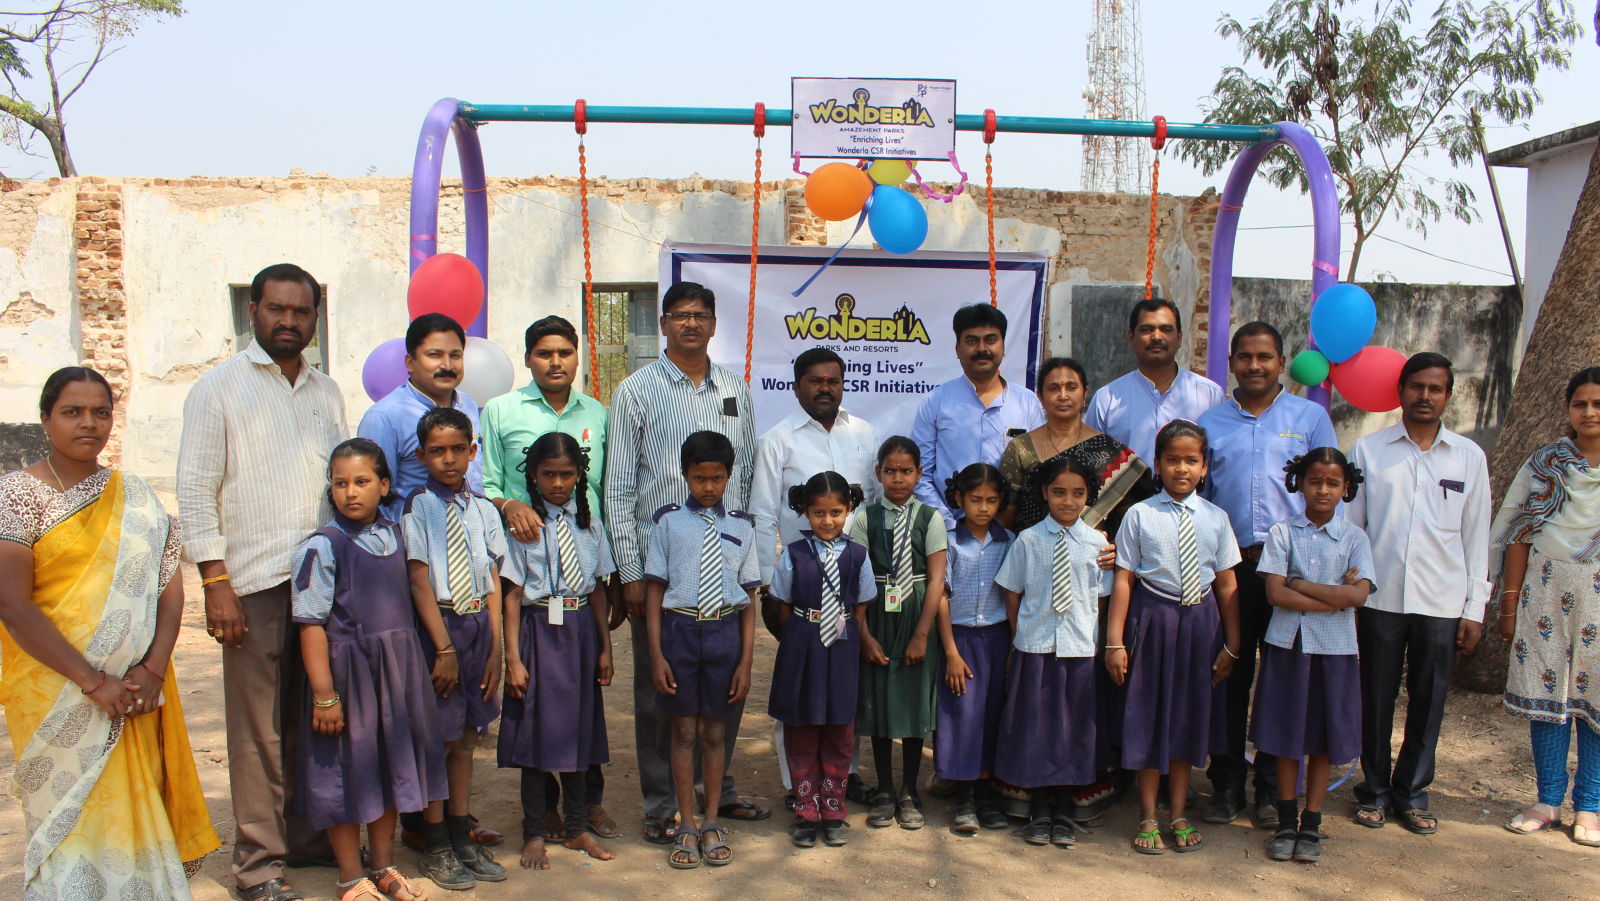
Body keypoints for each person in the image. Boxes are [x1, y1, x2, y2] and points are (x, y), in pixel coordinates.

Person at [0, 367, 220, 899]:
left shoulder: (137, 498)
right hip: (54, 688)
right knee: (68, 815)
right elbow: (11, 602)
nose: (89, 423)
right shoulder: (17, 496)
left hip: (134, 690)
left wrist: (151, 669)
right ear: (46, 419)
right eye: (72, 412)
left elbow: (170, 590)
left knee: (132, 802)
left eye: (101, 412)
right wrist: (94, 681)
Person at [178, 262, 346, 900]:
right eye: (277, 310)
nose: (289, 322)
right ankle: (258, 865)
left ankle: (306, 840)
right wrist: (215, 581)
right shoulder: (217, 390)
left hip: (322, 581)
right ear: (253, 312)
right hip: (252, 582)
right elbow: (196, 491)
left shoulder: (326, 391)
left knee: (313, 718)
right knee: (258, 731)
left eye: (301, 312)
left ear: (314, 318)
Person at [606, 282, 765, 842]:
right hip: (662, 572)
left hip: (723, 566)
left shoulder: (734, 389)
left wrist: (744, 551)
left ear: (715, 324)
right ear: (664, 324)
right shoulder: (637, 391)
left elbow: (743, 476)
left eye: (701, 316)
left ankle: (710, 797)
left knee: (722, 691)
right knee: (659, 694)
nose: (691, 324)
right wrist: (629, 571)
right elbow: (620, 486)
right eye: (680, 316)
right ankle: (661, 804)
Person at [291, 439, 446, 901]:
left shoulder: (398, 536)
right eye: (340, 483)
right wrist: (324, 694)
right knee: (344, 772)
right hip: (347, 677)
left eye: (362, 482)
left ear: (384, 485)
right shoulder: (322, 546)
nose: (350, 492)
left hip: (395, 675)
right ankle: (348, 874)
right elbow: (311, 625)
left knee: (387, 767)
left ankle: (383, 865)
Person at [480, 314, 616, 841]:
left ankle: (587, 810)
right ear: (529, 356)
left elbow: (608, 484)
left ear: (577, 354)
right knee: (536, 714)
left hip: (582, 593)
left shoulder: (599, 415)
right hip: (536, 611)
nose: (555, 361)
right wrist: (512, 503)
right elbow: (489, 480)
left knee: (583, 713)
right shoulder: (500, 411)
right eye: (543, 352)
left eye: (564, 351)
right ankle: (543, 819)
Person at [1197, 322, 1337, 828]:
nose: (1254, 366)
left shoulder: (1310, 418)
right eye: (1245, 357)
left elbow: (1329, 492)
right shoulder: (1210, 422)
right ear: (1231, 363)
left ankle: (1270, 787)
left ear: (1281, 362)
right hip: (1231, 570)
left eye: (1265, 357)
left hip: (1292, 575)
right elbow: (1200, 500)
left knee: (1284, 680)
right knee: (1228, 675)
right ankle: (1228, 781)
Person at [1346, 352, 1490, 835]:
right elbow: (1353, 530)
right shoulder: (1369, 452)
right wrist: (1352, 594)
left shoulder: (1469, 458)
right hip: (1381, 600)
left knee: (1429, 700)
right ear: (1401, 392)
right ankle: (1374, 791)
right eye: (1416, 387)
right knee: (1376, 698)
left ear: (1448, 395)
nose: (1425, 396)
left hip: (1442, 603)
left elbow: (1476, 537)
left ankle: (1412, 792)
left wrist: (1475, 607)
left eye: (1435, 389)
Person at [749, 346, 880, 808]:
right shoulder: (777, 440)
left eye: (833, 381)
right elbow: (763, 513)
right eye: (816, 381)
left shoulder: (865, 434)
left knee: (847, 684)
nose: (826, 388)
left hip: (850, 579)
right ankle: (796, 783)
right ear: (797, 385)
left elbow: (875, 506)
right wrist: (767, 585)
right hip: (798, 584)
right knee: (798, 684)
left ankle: (846, 776)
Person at [1106, 419, 1241, 855]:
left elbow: (1225, 584)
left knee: (1186, 718)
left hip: (1200, 628)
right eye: (1172, 460)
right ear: (1159, 465)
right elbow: (1123, 579)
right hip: (1152, 623)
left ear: (1205, 467)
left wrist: (1232, 643)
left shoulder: (1217, 519)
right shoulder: (1139, 515)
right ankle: (1147, 814)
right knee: (1149, 716)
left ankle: (1179, 811)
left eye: (1191, 460)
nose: (1181, 468)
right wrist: (1115, 641)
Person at [499, 432, 617, 868]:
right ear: (533, 475)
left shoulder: (590, 522)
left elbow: (601, 588)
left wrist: (605, 646)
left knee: (578, 734)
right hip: (536, 633)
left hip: (581, 632)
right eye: (549, 474)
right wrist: (512, 657)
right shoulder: (522, 525)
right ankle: (533, 831)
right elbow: (512, 594)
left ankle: (575, 828)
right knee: (535, 735)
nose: (558, 483)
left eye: (567, 474)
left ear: (580, 475)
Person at [1251, 449, 1374, 864]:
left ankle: (1312, 822)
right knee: (1288, 736)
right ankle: (1286, 820)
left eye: (1333, 483)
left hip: (1336, 649)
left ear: (1346, 488)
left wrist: (1301, 586)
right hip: (1288, 644)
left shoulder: (1355, 538)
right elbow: (1274, 593)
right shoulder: (1283, 533)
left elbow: (1358, 596)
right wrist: (1333, 597)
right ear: (1299, 483)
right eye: (1315, 481)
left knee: (1322, 738)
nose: (1323, 490)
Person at [644, 431, 761, 869]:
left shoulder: (742, 526)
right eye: (699, 478)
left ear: (729, 476)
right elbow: (655, 591)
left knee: (714, 733)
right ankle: (686, 822)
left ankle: (712, 821)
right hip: (680, 632)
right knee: (683, 732)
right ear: (685, 475)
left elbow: (749, 600)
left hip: (724, 636)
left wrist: (746, 661)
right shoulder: (668, 523)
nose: (708, 487)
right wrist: (656, 654)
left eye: (716, 478)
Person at [401, 408, 508, 888]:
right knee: (439, 741)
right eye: (437, 451)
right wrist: (442, 649)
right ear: (421, 455)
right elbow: (420, 580)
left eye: (457, 449)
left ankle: (462, 836)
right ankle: (436, 842)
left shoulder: (483, 509)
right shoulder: (417, 505)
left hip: (477, 628)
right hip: (439, 629)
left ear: (472, 451)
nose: (448, 459)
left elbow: (491, 581)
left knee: (466, 739)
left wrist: (497, 649)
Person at [1494, 367, 1600, 845]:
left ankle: (1591, 807)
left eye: (1598, 404)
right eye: (1581, 404)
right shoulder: (1544, 466)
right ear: (1568, 409)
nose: (1590, 413)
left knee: (1595, 702)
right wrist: (1509, 606)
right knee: (1546, 698)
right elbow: (1519, 534)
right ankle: (1547, 799)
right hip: (1543, 595)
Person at [992, 454, 1112, 847]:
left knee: (1074, 729)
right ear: (1045, 493)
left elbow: (1103, 597)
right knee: (1037, 729)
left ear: (1088, 497)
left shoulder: (1097, 544)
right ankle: (1039, 809)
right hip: (1035, 647)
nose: (1067, 501)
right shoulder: (1028, 540)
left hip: (1079, 649)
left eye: (1077, 494)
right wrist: (1018, 636)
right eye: (1059, 492)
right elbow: (1012, 592)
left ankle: (1064, 809)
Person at [768, 471, 873, 849]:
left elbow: (861, 604)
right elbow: (780, 602)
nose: (827, 521)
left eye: (835, 512)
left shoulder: (858, 556)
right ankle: (805, 809)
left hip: (842, 648)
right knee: (801, 724)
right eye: (818, 513)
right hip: (802, 645)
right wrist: (800, 634)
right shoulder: (794, 554)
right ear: (804, 512)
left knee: (839, 726)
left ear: (848, 510)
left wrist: (850, 637)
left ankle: (833, 807)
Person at [851, 436, 949, 829]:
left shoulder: (930, 518)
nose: (897, 478)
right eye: (889, 470)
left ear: (919, 474)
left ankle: (910, 790)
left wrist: (923, 633)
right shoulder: (864, 518)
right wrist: (864, 635)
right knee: (878, 704)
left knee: (911, 705)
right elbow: (855, 582)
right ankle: (885, 789)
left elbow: (938, 580)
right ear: (878, 473)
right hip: (876, 613)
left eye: (906, 471)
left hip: (917, 613)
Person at [911, 303, 1045, 528]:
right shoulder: (936, 401)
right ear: (957, 349)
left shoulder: (1027, 403)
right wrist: (948, 526)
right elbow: (920, 476)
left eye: (990, 340)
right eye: (972, 341)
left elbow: (1039, 472)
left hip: (1013, 533)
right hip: (949, 535)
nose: (982, 348)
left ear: (1003, 346)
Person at [934, 463, 1014, 835]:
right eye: (975, 500)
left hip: (996, 639)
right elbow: (941, 598)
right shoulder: (949, 542)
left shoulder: (1009, 542)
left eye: (991, 500)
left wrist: (1015, 644)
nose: (983, 508)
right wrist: (950, 651)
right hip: (960, 638)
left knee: (991, 714)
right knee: (960, 714)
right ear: (959, 499)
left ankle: (985, 793)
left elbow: (1015, 597)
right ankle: (963, 795)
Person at [1000, 356, 1152, 536]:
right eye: (1053, 388)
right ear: (1040, 396)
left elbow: (1129, 518)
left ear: (1084, 394)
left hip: (1093, 558)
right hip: (1034, 554)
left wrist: (1117, 550)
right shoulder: (1021, 447)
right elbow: (1005, 513)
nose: (1063, 396)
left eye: (1071, 388)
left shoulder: (1107, 449)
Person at [358, 313, 484, 521]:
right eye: (435, 355)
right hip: (414, 545)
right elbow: (373, 497)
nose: (447, 366)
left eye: (455, 355)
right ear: (410, 362)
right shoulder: (384, 417)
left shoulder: (468, 405)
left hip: (473, 537)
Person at [1084, 298, 1224, 465]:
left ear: (1179, 338)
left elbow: (1216, 463)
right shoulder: (1107, 400)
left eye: (1166, 329)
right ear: (1131, 338)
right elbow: (1093, 468)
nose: (1157, 337)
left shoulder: (1210, 395)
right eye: (1147, 329)